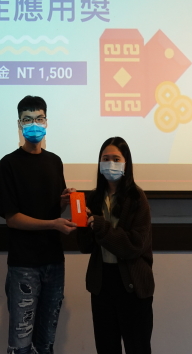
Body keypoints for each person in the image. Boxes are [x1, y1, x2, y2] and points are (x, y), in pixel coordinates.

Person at [0, 95, 77, 354]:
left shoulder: (54, 161)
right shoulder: (8, 164)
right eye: (28, 119)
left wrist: (63, 203)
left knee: (46, 343)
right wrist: (53, 224)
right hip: (24, 264)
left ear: (47, 121)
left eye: (39, 118)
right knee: (21, 345)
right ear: (19, 124)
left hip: (54, 261)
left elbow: (51, 210)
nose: (34, 124)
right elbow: (12, 218)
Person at [77, 137, 154, 354]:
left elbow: (134, 245)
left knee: (137, 347)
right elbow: (85, 247)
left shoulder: (137, 198)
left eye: (116, 159)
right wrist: (81, 219)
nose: (110, 163)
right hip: (102, 284)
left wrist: (101, 226)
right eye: (105, 158)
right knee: (106, 348)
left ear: (126, 163)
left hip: (132, 285)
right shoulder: (94, 198)